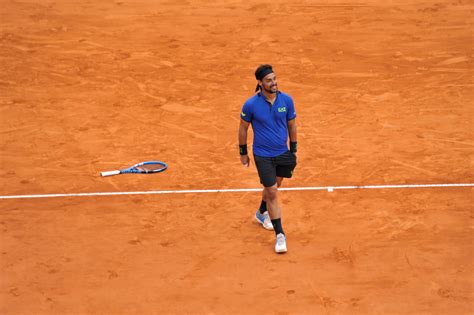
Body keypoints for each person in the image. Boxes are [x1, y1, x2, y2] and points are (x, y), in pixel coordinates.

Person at [238, 64, 298, 254]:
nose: (274, 82)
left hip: (283, 153)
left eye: (274, 78)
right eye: (269, 80)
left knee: (274, 186)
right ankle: (280, 235)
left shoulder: (286, 100)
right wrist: (243, 152)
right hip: (262, 154)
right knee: (272, 191)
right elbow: (243, 128)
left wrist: (294, 148)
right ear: (260, 83)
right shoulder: (251, 105)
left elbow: (292, 124)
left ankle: (261, 212)